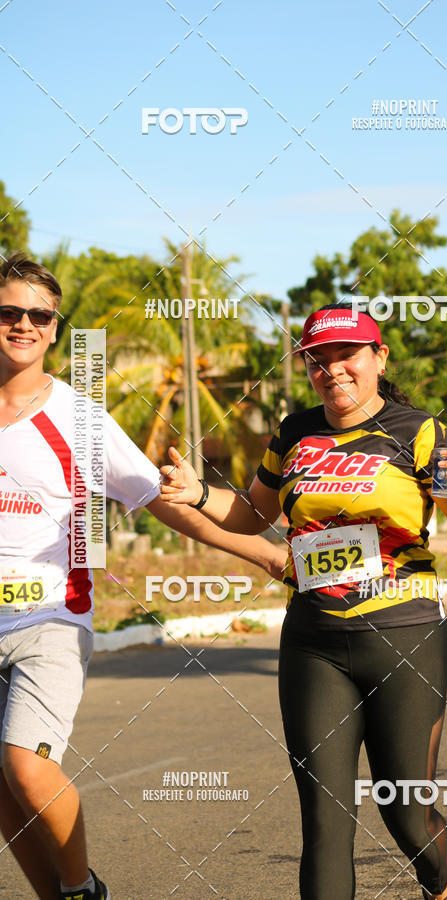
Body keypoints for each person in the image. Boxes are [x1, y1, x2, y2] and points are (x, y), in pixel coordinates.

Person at [160, 303, 447, 900]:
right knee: (324, 823)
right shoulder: (294, 431)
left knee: (407, 814)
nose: (332, 370)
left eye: (348, 356)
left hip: (405, 636)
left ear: (378, 358)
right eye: (318, 359)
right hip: (313, 640)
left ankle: (440, 880)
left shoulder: (421, 433)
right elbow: (252, 513)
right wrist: (197, 492)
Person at [0, 252, 287, 900]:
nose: (22, 324)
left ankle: (82, 889)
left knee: (25, 765)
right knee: (3, 791)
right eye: (8, 312)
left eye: (37, 315)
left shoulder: (77, 419)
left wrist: (266, 552)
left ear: (53, 328)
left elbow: (161, 499)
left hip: (49, 617)